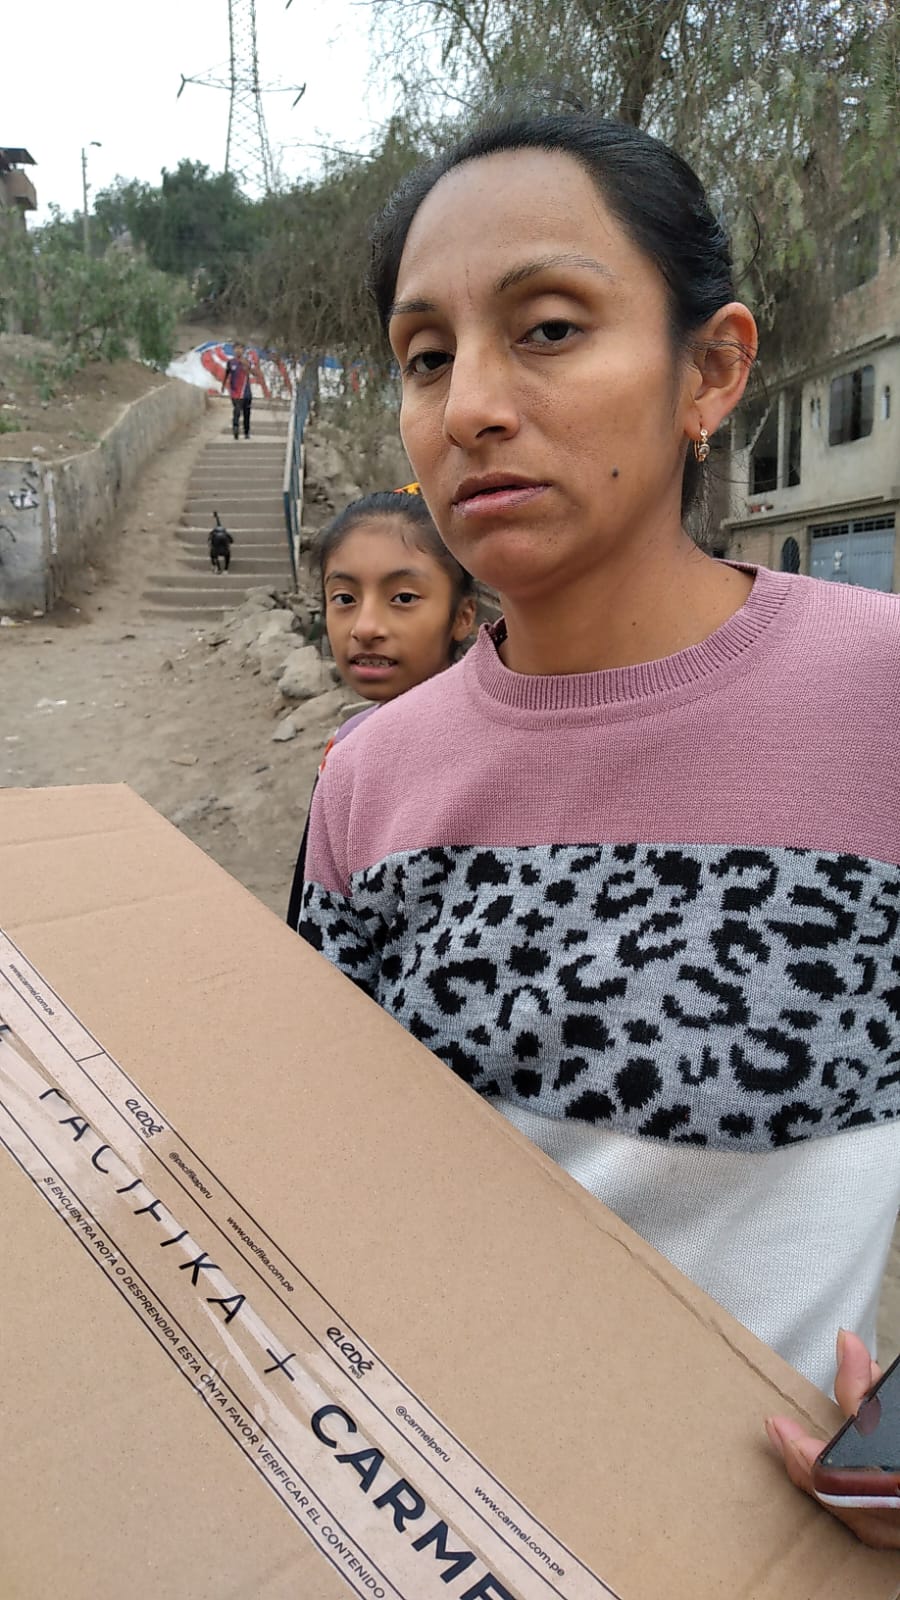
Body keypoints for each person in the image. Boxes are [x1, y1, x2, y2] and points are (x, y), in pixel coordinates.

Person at [297, 112, 900, 1549]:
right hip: (422, 1525)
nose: (469, 407)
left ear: (712, 371)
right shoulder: (368, 780)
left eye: (550, 329)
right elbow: (312, 1167)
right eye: (426, 356)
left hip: (767, 1550)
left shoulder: (879, 696)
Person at [285, 489, 476, 929]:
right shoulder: (349, 745)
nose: (365, 627)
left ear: (462, 616)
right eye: (344, 598)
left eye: (403, 598)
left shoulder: (488, 756)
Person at [222, 341, 253, 439]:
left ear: (243, 350)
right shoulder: (231, 362)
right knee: (236, 411)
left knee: (246, 413)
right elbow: (227, 374)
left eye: (240, 348)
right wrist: (223, 385)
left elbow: (251, 372)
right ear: (233, 350)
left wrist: (245, 365)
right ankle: (235, 428)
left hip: (246, 392)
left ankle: (246, 431)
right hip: (235, 392)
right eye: (236, 348)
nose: (238, 350)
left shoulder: (247, 361)